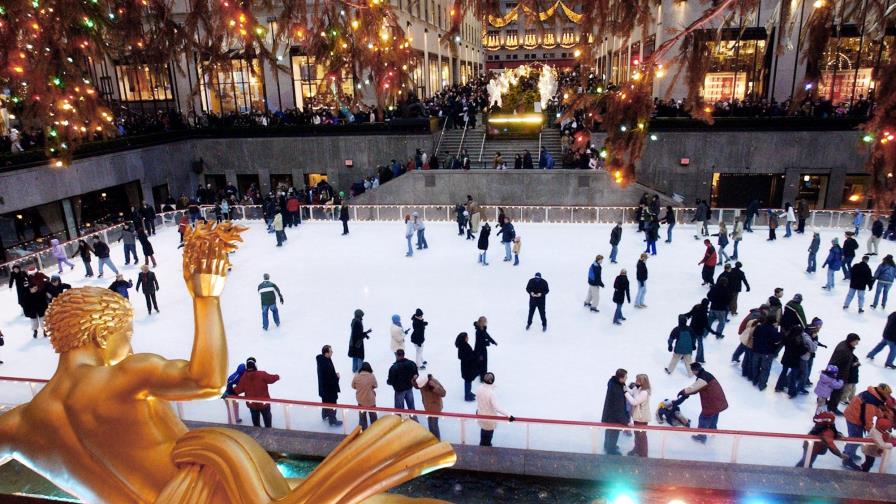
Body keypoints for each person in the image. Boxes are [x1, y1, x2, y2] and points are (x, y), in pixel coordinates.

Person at [842, 383, 892, 464]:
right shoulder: (871, 401)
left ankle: (849, 452)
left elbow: (874, 410)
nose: (888, 396)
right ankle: (847, 458)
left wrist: (882, 414)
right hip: (854, 419)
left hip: (853, 415)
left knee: (856, 439)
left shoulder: (873, 395)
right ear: (882, 391)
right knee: (855, 439)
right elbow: (867, 418)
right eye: (887, 394)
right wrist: (873, 432)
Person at [679, 363, 728, 443]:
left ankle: (701, 436)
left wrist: (683, 392)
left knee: (703, 418)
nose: (692, 373)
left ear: (695, 371)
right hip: (718, 401)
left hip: (711, 403)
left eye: (692, 371)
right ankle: (713, 431)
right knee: (714, 415)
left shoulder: (702, 378)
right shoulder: (706, 374)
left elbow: (693, 388)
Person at [233, 357, 280, 428]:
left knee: (256, 424)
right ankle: (268, 430)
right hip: (264, 403)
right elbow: (271, 378)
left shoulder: (244, 378)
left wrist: (229, 389)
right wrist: (277, 376)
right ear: (255, 365)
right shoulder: (262, 374)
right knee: (267, 420)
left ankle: (257, 431)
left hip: (252, 405)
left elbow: (237, 390)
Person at [476, 372, 513, 446]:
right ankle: (485, 450)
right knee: (488, 436)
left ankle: (483, 447)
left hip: (480, 415)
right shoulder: (491, 393)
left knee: (483, 433)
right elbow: (497, 407)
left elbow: (478, 400)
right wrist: (509, 415)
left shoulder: (479, 388)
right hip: (489, 418)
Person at [827, 333, 861, 414]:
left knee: (830, 389)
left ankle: (825, 401)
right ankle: (832, 408)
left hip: (839, 373)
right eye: (856, 341)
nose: (857, 344)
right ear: (851, 341)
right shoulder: (844, 350)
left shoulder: (845, 345)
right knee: (837, 392)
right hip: (839, 374)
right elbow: (837, 362)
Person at [601, 369, 630, 455]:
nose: (627, 378)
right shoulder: (616, 390)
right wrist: (625, 421)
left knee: (609, 431)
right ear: (620, 378)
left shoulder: (613, 382)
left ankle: (608, 445)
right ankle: (611, 450)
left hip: (609, 415)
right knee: (613, 432)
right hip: (613, 417)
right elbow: (618, 408)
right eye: (625, 377)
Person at [751, 315, 782, 390]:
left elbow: (754, 335)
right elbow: (776, 340)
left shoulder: (759, 327)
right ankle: (762, 384)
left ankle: (755, 380)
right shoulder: (773, 330)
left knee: (756, 366)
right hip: (767, 352)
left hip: (757, 350)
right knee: (765, 369)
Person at [624, 374, 652, 457]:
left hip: (642, 417)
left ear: (642, 382)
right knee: (637, 434)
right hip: (637, 416)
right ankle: (636, 449)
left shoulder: (644, 392)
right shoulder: (637, 388)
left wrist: (625, 392)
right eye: (636, 380)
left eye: (638, 380)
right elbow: (631, 392)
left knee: (642, 436)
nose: (636, 382)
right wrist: (624, 386)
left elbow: (634, 402)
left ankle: (643, 454)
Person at [316, 345, 342, 426]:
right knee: (332, 404)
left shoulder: (323, 360)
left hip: (324, 389)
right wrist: (337, 377)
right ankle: (332, 420)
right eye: (331, 351)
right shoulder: (325, 365)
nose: (332, 352)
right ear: (326, 353)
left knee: (325, 402)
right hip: (329, 390)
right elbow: (329, 380)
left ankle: (325, 415)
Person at [415, 374, 446, 440]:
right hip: (427, 406)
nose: (421, 387)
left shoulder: (434, 382)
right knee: (430, 423)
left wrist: (435, 386)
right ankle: (432, 438)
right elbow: (417, 386)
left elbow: (443, 393)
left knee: (434, 424)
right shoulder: (422, 381)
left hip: (435, 407)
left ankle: (437, 440)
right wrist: (414, 380)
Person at [387, 349, 418, 413]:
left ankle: (400, 420)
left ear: (396, 355)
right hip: (409, 388)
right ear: (404, 354)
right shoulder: (412, 363)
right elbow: (416, 374)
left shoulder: (394, 367)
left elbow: (390, 381)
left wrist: (389, 382)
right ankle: (413, 420)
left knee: (399, 410)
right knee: (411, 407)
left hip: (399, 390)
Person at [350, 362, 378, 430]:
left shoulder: (356, 376)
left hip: (361, 400)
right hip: (371, 400)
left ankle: (364, 431)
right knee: (373, 416)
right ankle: (374, 430)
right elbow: (375, 385)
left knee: (362, 417)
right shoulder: (372, 376)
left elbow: (353, 386)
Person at [682, 298, 710, 363]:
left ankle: (684, 355)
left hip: (691, 329)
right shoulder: (704, 312)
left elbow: (690, 313)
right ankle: (699, 358)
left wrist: (684, 315)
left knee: (689, 342)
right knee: (700, 344)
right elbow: (706, 325)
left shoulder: (696, 307)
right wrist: (713, 332)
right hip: (699, 331)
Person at [455, 332, 478, 401]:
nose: (468, 338)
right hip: (467, 368)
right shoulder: (463, 346)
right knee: (468, 381)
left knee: (469, 381)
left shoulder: (464, 345)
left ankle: (468, 392)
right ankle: (467, 396)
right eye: (466, 337)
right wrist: (473, 357)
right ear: (464, 339)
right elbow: (463, 356)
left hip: (467, 367)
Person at [348, 309, 372, 373]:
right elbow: (358, 335)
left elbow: (357, 333)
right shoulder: (358, 322)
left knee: (355, 356)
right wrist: (366, 333)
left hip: (353, 342)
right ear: (359, 315)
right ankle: (359, 371)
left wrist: (365, 335)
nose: (362, 316)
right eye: (361, 315)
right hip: (358, 343)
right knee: (359, 356)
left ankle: (354, 369)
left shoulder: (354, 321)